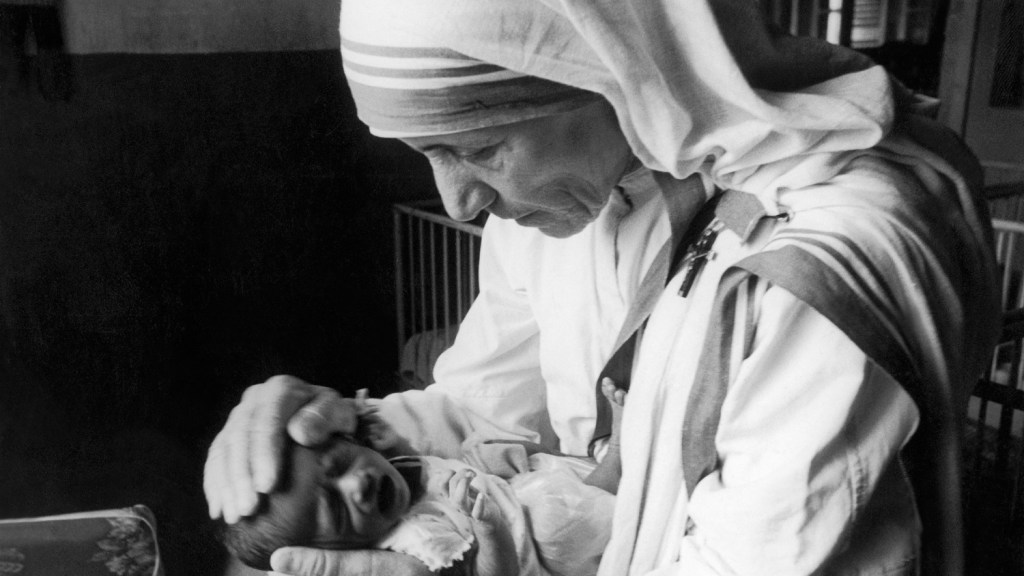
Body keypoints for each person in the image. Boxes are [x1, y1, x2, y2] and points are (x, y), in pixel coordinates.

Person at [204, 1, 1001, 575]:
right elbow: (487, 405)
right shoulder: (566, 203)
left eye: (476, 147)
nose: (460, 203)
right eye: (429, 155)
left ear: (602, 70)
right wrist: (334, 432)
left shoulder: (817, 266)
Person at [220, 392, 622, 576]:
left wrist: (382, 433)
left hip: (513, 490)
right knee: (565, 513)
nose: (355, 485)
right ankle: (620, 458)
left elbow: (419, 469)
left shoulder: (392, 473)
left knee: (509, 456)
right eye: (338, 511)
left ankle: (612, 468)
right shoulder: (417, 544)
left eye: (341, 462)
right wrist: (491, 531)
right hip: (534, 544)